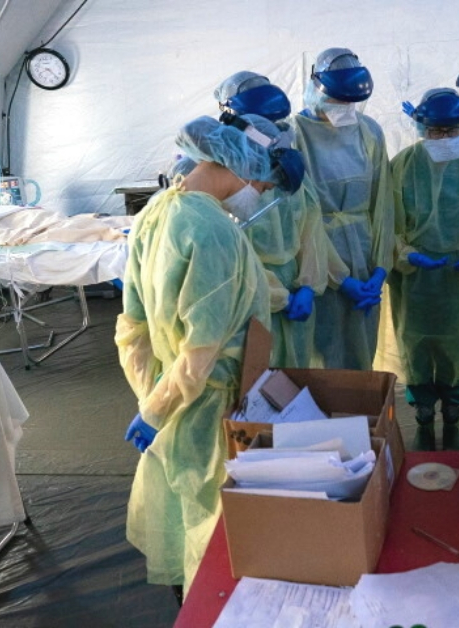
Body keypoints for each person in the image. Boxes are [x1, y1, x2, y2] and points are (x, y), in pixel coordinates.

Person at [117, 114, 300, 597]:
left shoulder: (155, 212)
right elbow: (205, 344)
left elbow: (131, 323)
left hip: (172, 395)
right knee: (213, 523)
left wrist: (151, 399)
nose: (259, 192)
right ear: (239, 164)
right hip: (212, 403)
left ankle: (191, 600)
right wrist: (161, 405)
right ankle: (214, 605)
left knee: (181, 510)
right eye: (261, 181)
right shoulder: (215, 232)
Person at [390, 88, 459, 451]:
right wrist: (406, 254)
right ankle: (421, 411)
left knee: (454, 342)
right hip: (412, 278)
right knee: (414, 341)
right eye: (436, 132)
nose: (444, 139)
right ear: (420, 128)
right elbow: (389, 224)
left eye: (451, 132)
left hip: (456, 277)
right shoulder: (401, 165)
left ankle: (453, 409)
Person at [213, 72, 330, 368]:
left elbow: (310, 229)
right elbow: (229, 256)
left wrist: (307, 285)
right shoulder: (224, 177)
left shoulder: (284, 165)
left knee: (295, 376)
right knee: (253, 379)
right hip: (247, 293)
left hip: (292, 282)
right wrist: (277, 295)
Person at [294, 48, 394, 370]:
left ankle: (363, 419)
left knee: (361, 353)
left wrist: (380, 267)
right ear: (316, 88)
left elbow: (383, 204)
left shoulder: (368, 132)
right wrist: (339, 278)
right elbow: (301, 217)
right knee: (324, 357)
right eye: (337, 100)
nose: (344, 109)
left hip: (364, 257)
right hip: (316, 263)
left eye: (350, 102)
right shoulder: (295, 135)